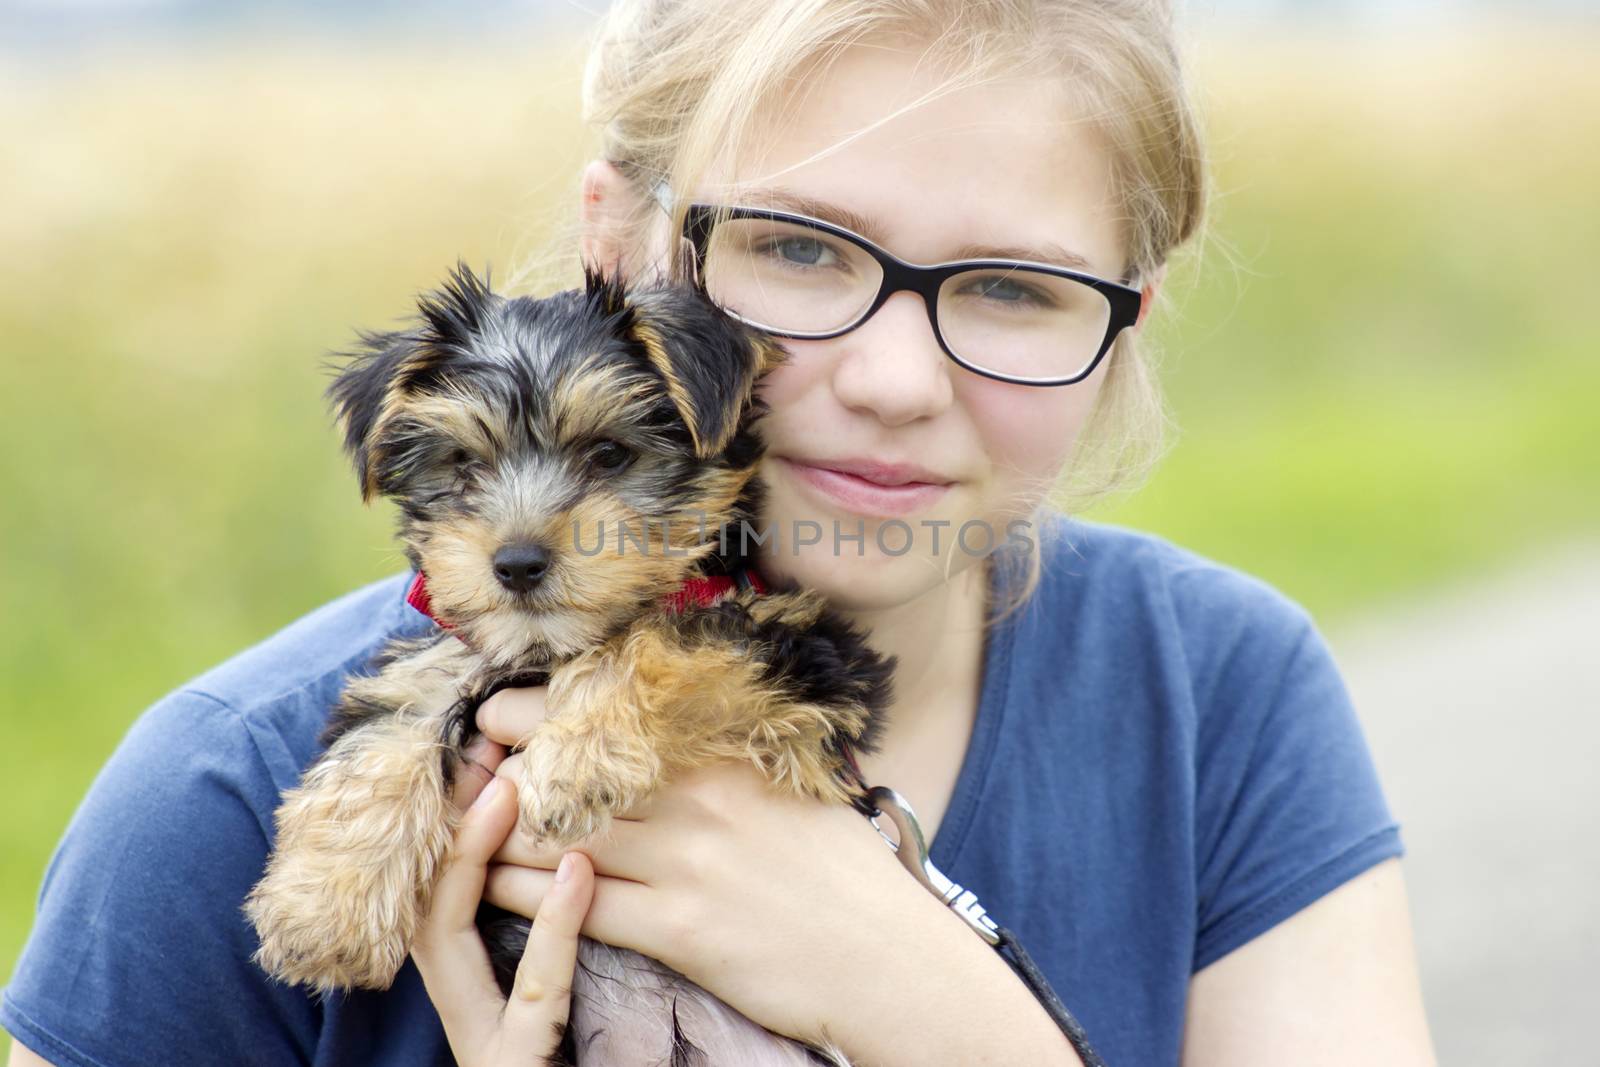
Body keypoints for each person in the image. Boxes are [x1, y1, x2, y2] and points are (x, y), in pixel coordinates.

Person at [3, 2, 1439, 1065]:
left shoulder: (1220, 695)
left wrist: (945, 1020)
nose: (892, 381)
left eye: (1013, 287)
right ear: (618, 247)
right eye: (798, 249)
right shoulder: (215, 807)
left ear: (1127, 317)